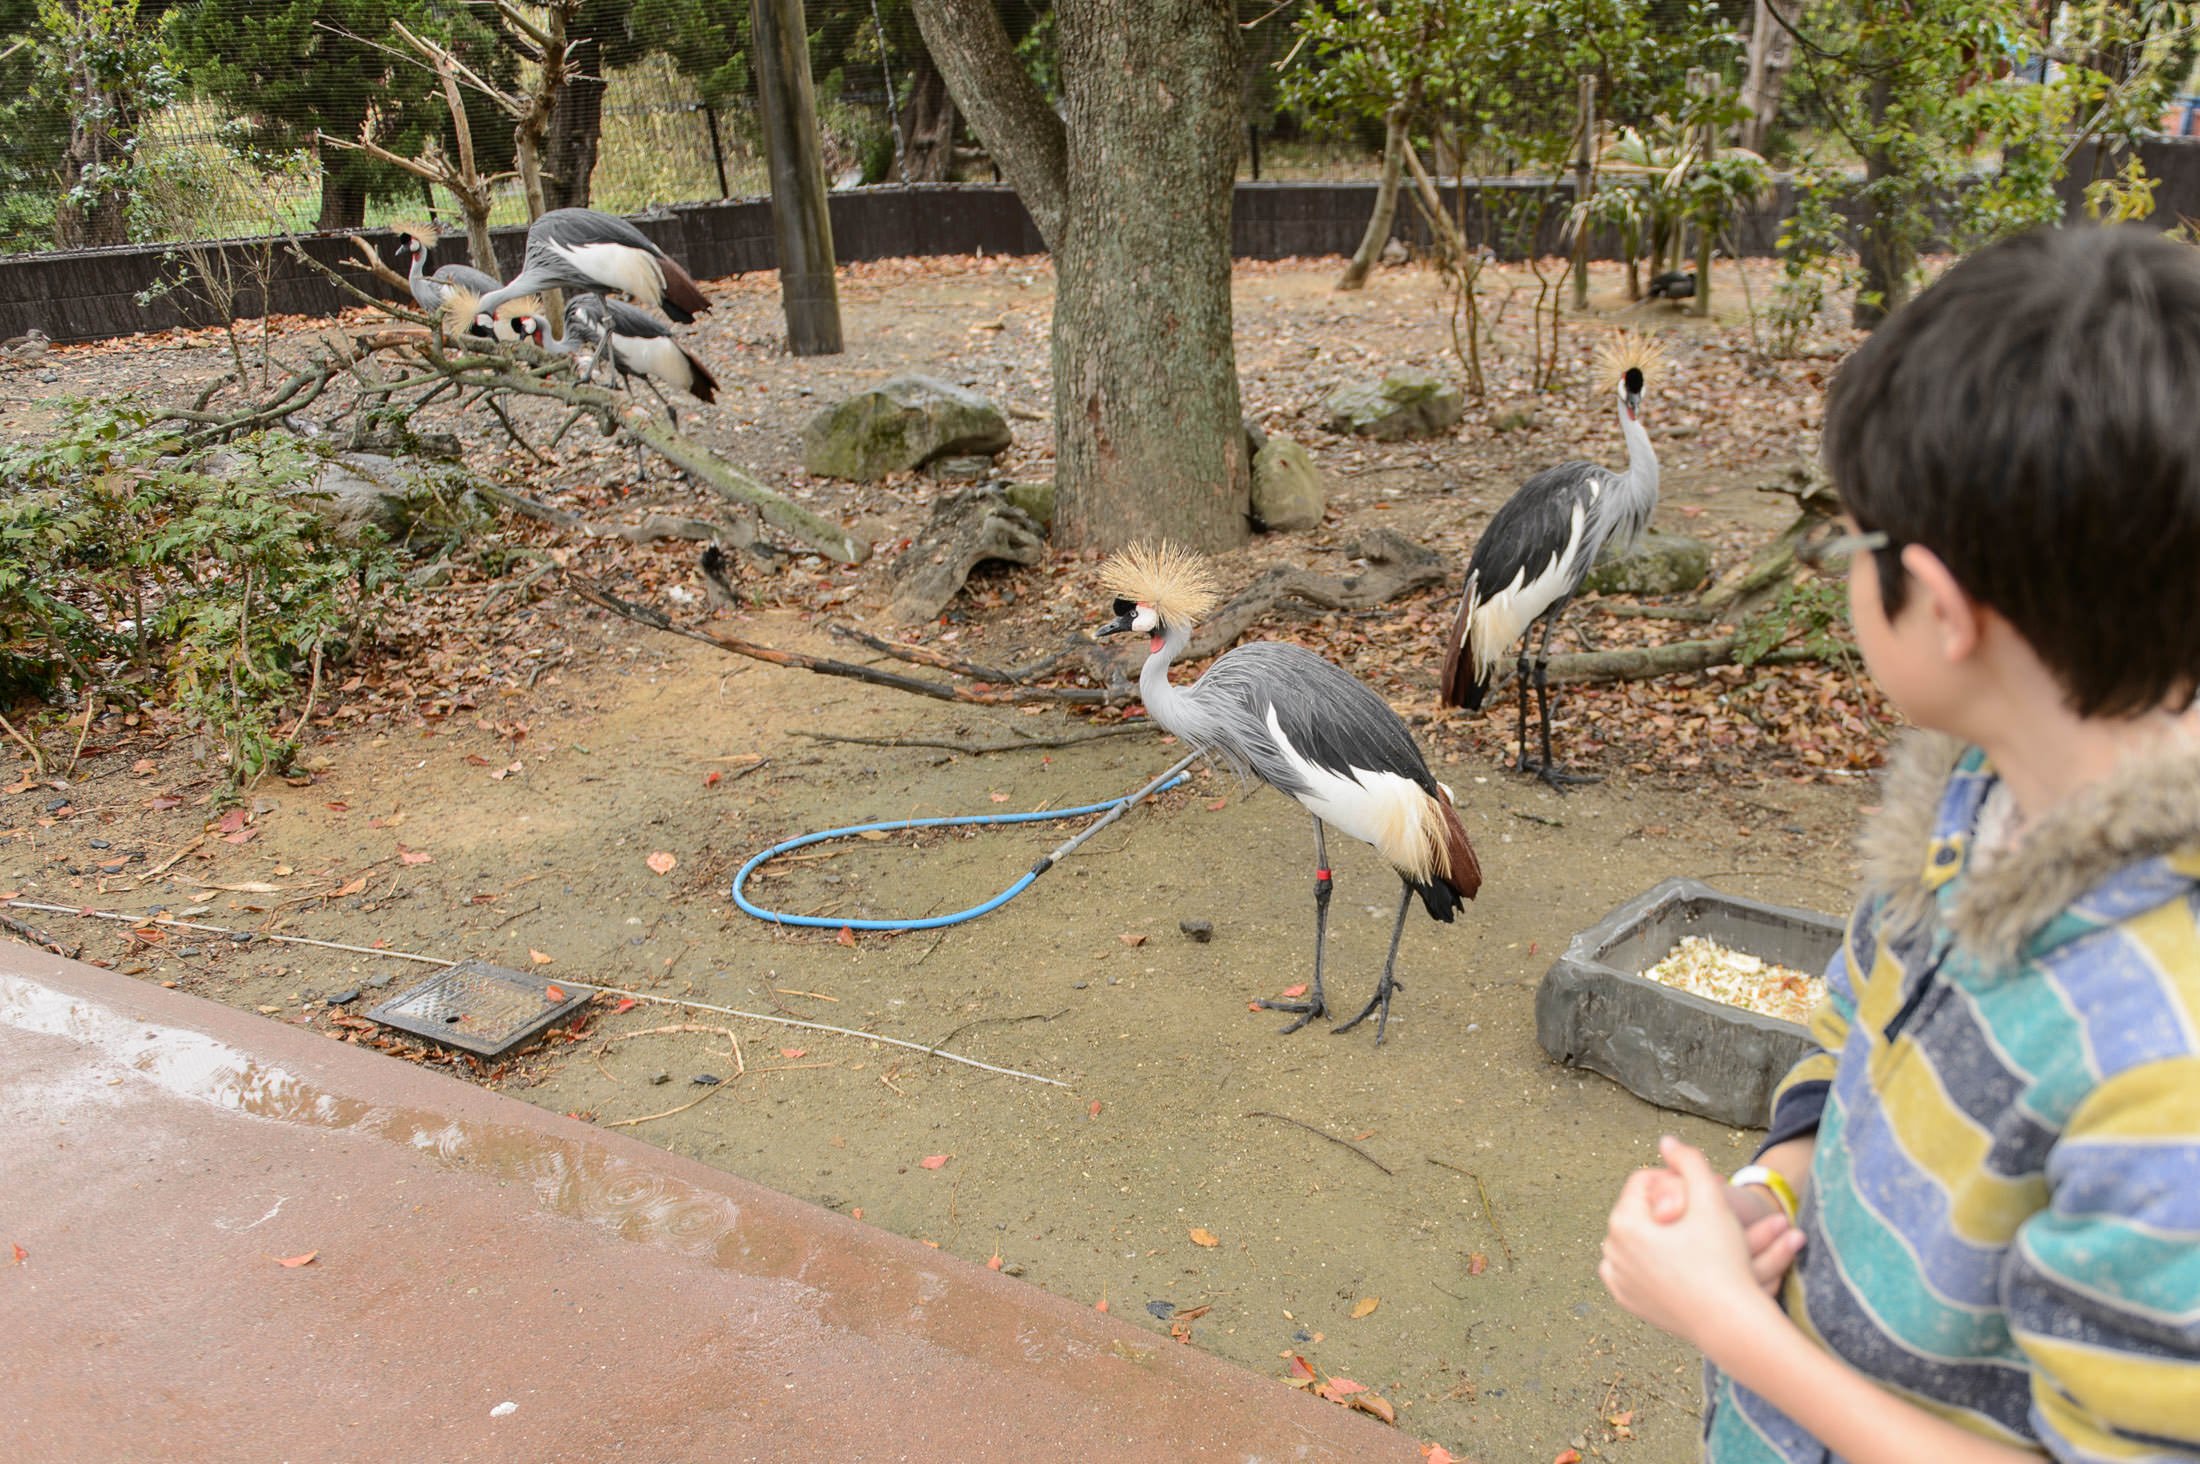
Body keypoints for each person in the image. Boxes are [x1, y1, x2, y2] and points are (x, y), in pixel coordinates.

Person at [1598, 224, 2200, 1462]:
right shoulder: (1974, 798)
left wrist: (1728, 1323)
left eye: (1852, 542)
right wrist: (1779, 1183)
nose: (1839, 566)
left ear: (1944, 608)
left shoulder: (2162, 1073)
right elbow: (1855, 1027)